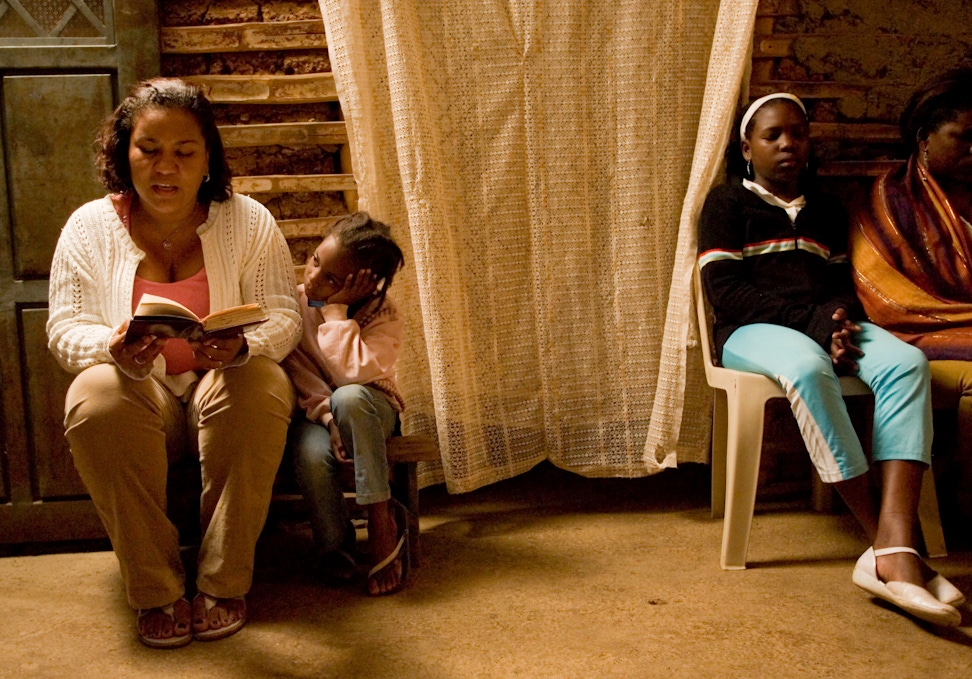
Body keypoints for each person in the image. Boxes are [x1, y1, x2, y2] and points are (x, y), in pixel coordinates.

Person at [47, 78, 301, 648]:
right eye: (149, 149)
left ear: (207, 157)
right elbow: (63, 329)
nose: (167, 167)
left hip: (224, 388)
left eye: (185, 152)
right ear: (123, 153)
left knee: (262, 379)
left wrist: (244, 348)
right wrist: (110, 347)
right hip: (144, 399)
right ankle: (156, 590)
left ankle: (223, 582)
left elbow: (285, 315)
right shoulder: (89, 228)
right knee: (95, 394)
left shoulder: (249, 221)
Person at [697, 92, 963, 627]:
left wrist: (839, 320)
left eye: (797, 133)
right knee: (807, 367)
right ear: (747, 147)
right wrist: (818, 328)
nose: (788, 144)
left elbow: (840, 284)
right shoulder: (727, 204)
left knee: (907, 365)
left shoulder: (826, 209)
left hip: (822, 326)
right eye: (773, 136)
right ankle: (890, 548)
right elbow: (726, 291)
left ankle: (892, 544)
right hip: (751, 333)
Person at [849, 68, 972, 532]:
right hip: (918, 335)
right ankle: (965, 504)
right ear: (923, 138)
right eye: (964, 138)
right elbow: (888, 303)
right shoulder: (889, 200)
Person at [283, 212, 407, 596]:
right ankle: (335, 545)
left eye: (333, 280)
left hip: (370, 411)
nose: (314, 280)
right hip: (316, 412)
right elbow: (296, 368)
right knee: (309, 452)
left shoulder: (382, 314)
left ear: (365, 286)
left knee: (349, 397)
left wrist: (336, 313)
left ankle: (380, 517)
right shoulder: (292, 302)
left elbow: (354, 375)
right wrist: (325, 417)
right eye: (316, 261)